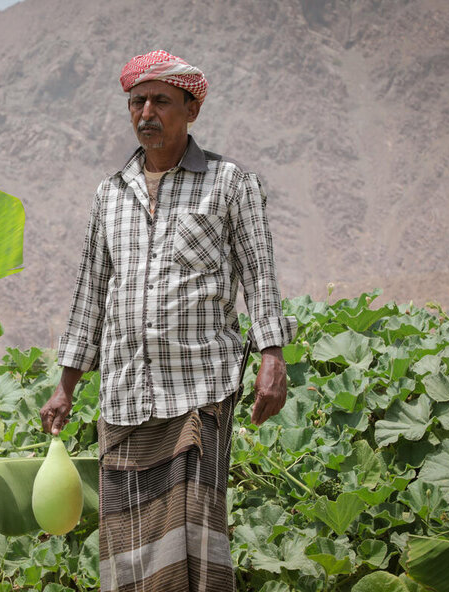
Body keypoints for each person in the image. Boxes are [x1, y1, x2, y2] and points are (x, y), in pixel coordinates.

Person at [40, 50, 297, 592]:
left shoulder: (230, 184)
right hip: (125, 397)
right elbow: (90, 294)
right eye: (138, 101)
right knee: (128, 548)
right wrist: (66, 386)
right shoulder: (110, 195)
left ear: (192, 109)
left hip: (199, 388)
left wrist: (272, 357)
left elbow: (260, 275)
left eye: (161, 100)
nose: (147, 112)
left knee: (193, 540)